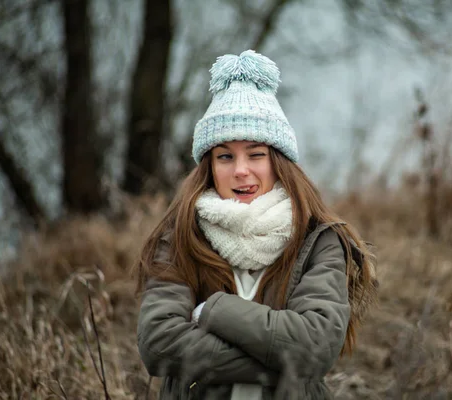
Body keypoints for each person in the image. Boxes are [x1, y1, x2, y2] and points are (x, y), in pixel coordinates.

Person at [134, 49, 378, 399]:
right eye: (225, 156)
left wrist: (214, 310)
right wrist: (278, 356)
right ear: (209, 166)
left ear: (279, 161)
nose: (241, 170)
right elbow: (158, 343)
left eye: (256, 154)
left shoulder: (318, 241)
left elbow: (315, 345)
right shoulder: (180, 237)